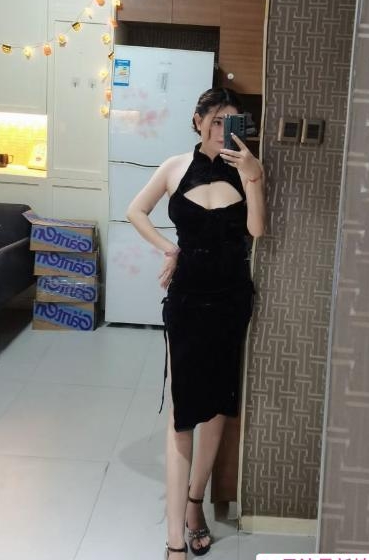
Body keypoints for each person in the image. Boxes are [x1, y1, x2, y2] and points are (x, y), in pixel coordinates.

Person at [126, 87, 266, 559]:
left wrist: (254, 175)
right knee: (184, 413)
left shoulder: (246, 168)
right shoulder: (173, 167)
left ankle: (194, 503)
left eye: (233, 121)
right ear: (198, 120)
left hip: (231, 300)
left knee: (219, 406)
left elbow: (257, 230)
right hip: (186, 299)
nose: (224, 129)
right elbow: (135, 211)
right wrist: (168, 248)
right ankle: (173, 542)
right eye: (217, 120)